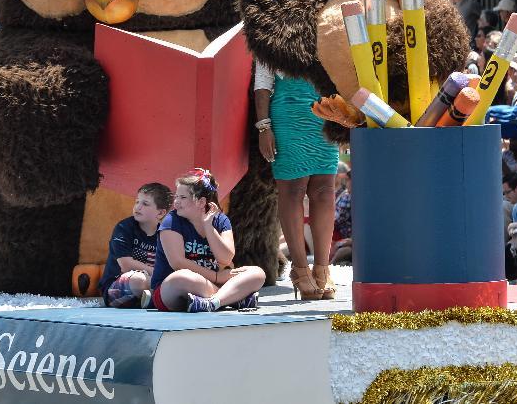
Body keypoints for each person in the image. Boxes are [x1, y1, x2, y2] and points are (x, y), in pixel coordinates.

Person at [254, 61, 339, 300]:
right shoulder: (270, 25)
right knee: (292, 190)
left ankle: (323, 269)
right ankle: (300, 270)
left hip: (325, 111)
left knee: (325, 191)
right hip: (287, 115)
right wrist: (263, 127)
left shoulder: (328, 24)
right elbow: (262, 81)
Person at [149, 169, 265, 312]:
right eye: (176, 197)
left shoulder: (221, 221)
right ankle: (233, 298)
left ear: (201, 201)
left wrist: (208, 226)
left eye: (183, 198)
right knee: (182, 277)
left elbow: (226, 259)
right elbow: (178, 263)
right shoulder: (171, 221)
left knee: (257, 273)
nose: (176, 203)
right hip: (171, 290)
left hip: (208, 285)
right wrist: (216, 277)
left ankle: (213, 302)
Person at [99, 182, 172, 308]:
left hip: (153, 284)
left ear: (160, 213)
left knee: (178, 281)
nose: (138, 207)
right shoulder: (124, 228)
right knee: (139, 280)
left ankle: (151, 299)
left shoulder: (165, 235)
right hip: (117, 289)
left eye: (145, 204)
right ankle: (159, 299)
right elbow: (125, 264)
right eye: (137, 202)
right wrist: (159, 276)